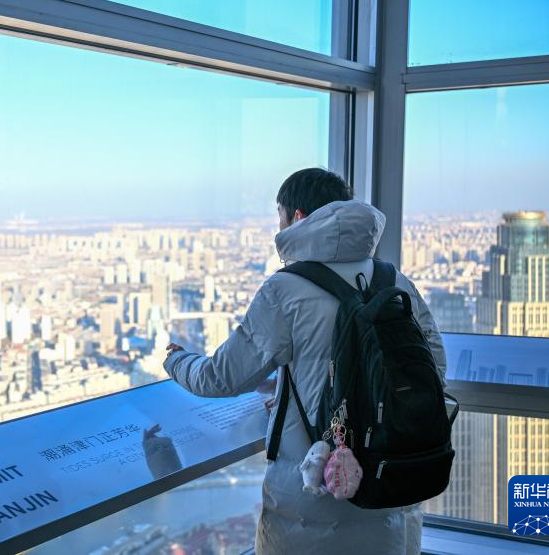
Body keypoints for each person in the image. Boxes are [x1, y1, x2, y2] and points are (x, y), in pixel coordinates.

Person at [163, 168, 447, 555]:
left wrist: (178, 361)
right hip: (392, 491)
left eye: (279, 217)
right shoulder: (394, 280)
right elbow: (434, 367)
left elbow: (221, 377)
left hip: (312, 495)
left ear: (297, 217)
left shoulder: (285, 289)